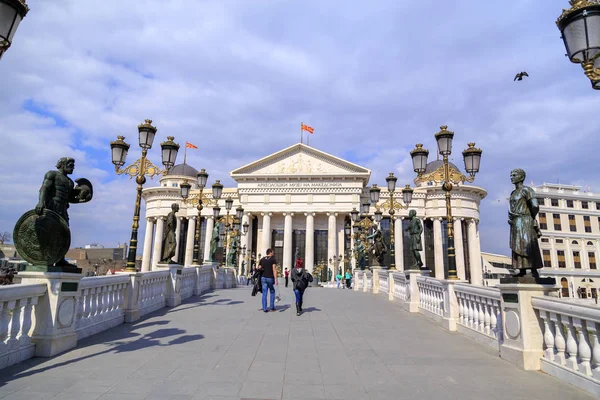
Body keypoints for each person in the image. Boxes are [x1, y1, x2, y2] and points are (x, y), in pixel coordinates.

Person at [508, 168, 543, 277]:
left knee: (528, 244)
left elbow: (535, 205)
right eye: (511, 175)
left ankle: (533, 270)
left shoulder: (527, 190)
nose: (512, 177)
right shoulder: (513, 193)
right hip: (515, 222)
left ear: (521, 177)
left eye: (514, 175)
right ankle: (522, 270)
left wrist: (531, 216)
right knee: (518, 245)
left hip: (525, 220)